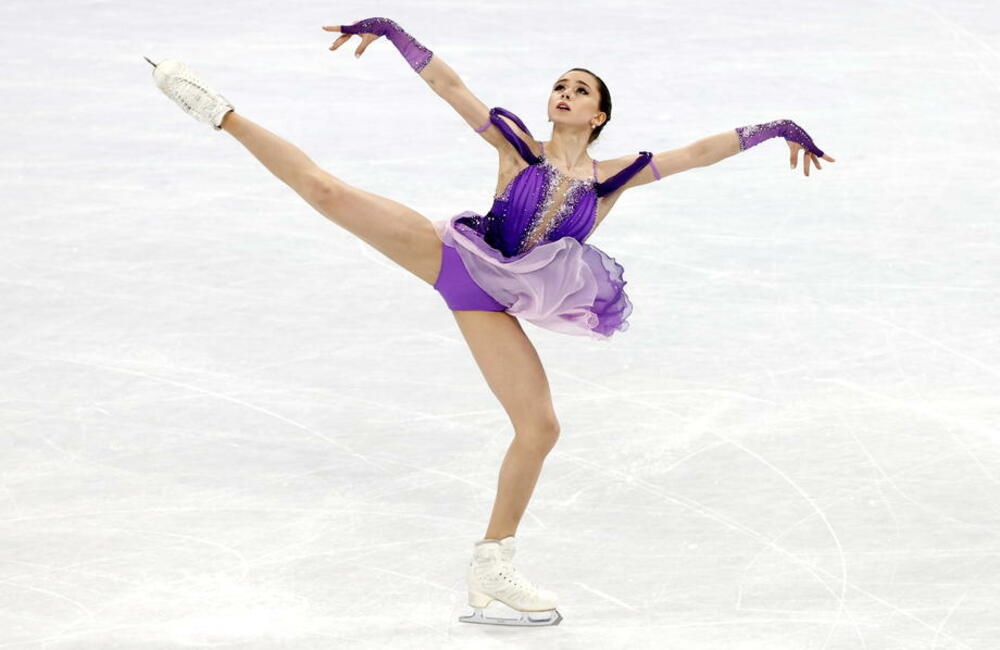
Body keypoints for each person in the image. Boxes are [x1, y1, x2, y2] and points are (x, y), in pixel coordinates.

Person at [145, 15, 834, 627]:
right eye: (559, 85)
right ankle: (219, 111)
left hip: (494, 304)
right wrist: (395, 34)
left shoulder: (612, 176)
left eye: (580, 90)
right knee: (326, 191)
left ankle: (492, 563)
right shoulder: (518, 148)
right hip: (457, 258)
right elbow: (451, 88)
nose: (564, 93)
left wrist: (773, 129)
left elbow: (696, 154)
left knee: (541, 427)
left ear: (598, 115)